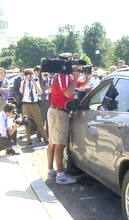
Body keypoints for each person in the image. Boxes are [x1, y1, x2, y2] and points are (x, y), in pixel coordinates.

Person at [47, 54, 91, 184]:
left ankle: (51, 171)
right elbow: (68, 93)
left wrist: (86, 78)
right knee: (59, 144)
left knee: (53, 143)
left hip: (56, 111)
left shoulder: (66, 76)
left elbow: (82, 86)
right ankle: (60, 176)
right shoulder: (62, 76)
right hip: (59, 112)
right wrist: (76, 77)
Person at [20, 69, 48, 146]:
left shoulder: (35, 81)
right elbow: (21, 91)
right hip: (26, 104)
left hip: (34, 104)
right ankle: (29, 139)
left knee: (39, 122)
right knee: (27, 122)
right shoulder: (23, 82)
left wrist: (35, 84)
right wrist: (25, 81)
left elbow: (40, 92)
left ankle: (45, 138)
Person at [38, 72, 54, 141]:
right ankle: (39, 135)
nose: (51, 75)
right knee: (42, 119)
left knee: (50, 120)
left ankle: (48, 135)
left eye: (53, 74)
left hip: (52, 102)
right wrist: (48, 91)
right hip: (45, 101)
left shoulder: (55, 81)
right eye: (51, 73)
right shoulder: (43, 79)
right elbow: (40, 90)